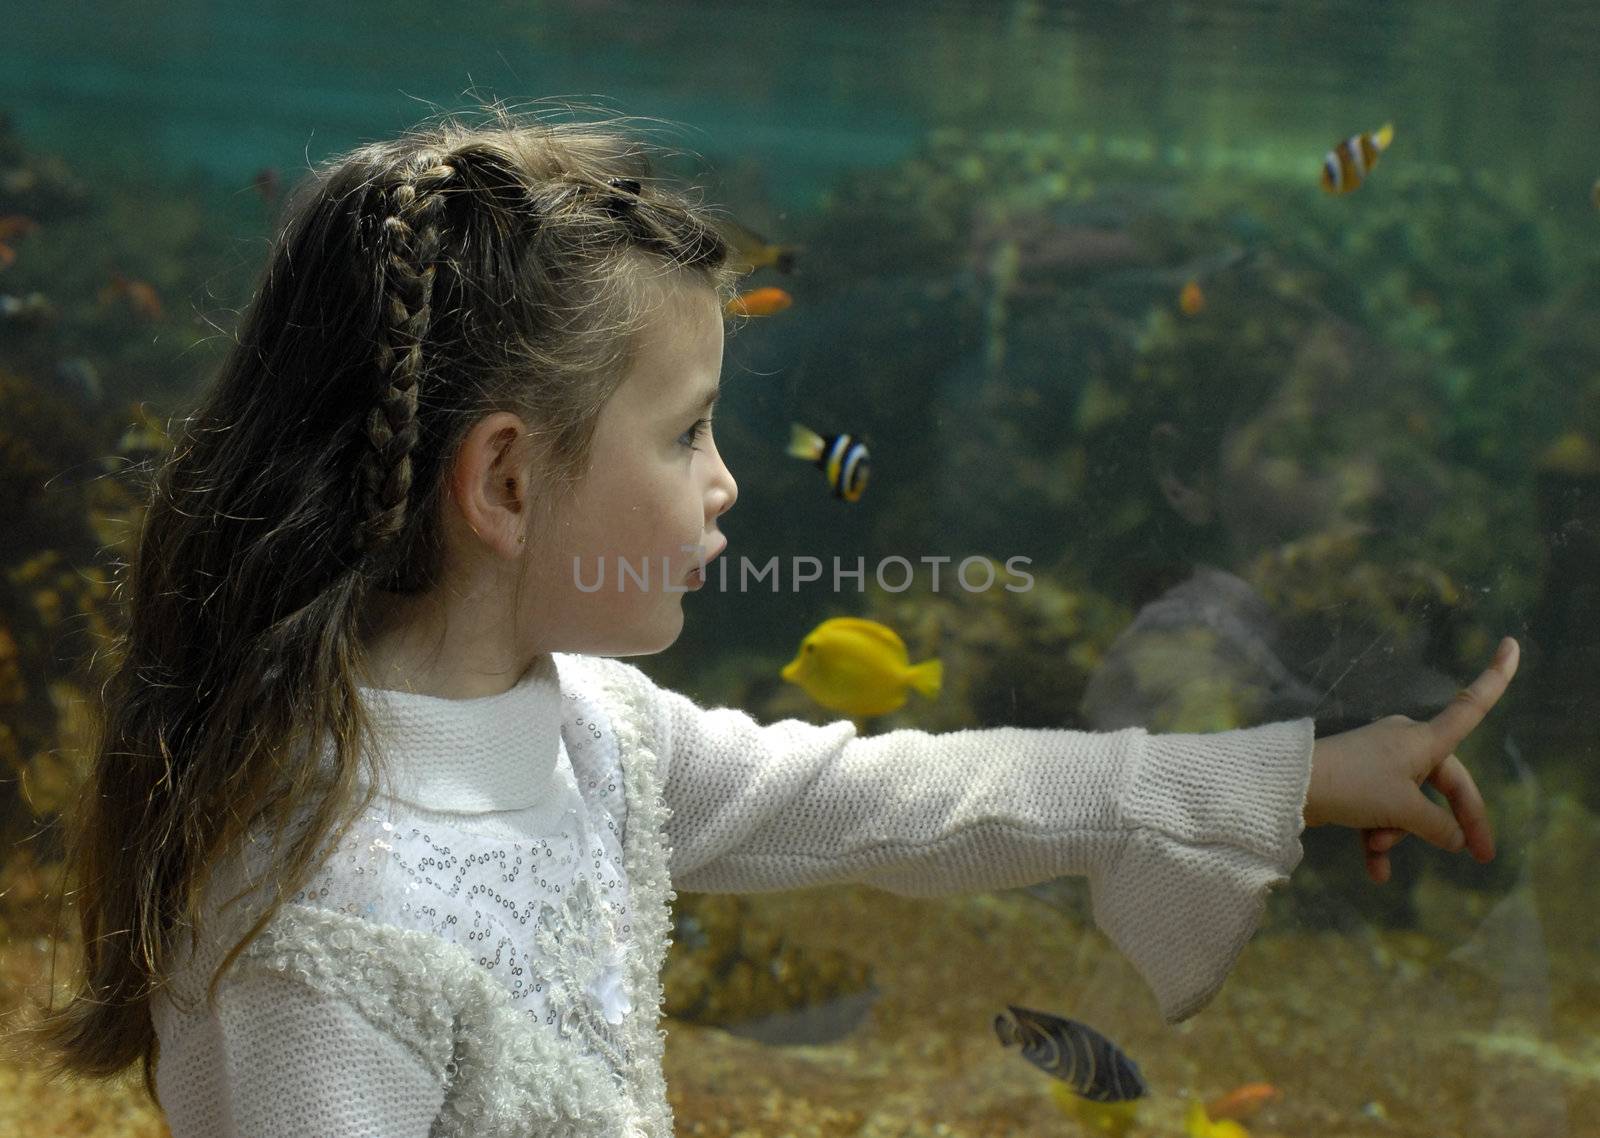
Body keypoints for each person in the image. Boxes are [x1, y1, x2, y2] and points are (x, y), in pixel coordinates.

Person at [30, 105, 1518, 1137]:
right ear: (502, 479)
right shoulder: (321, 931)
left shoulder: (592, 730)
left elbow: (909, 796)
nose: (729, 483)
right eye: (685, 435)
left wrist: (1296, 772)